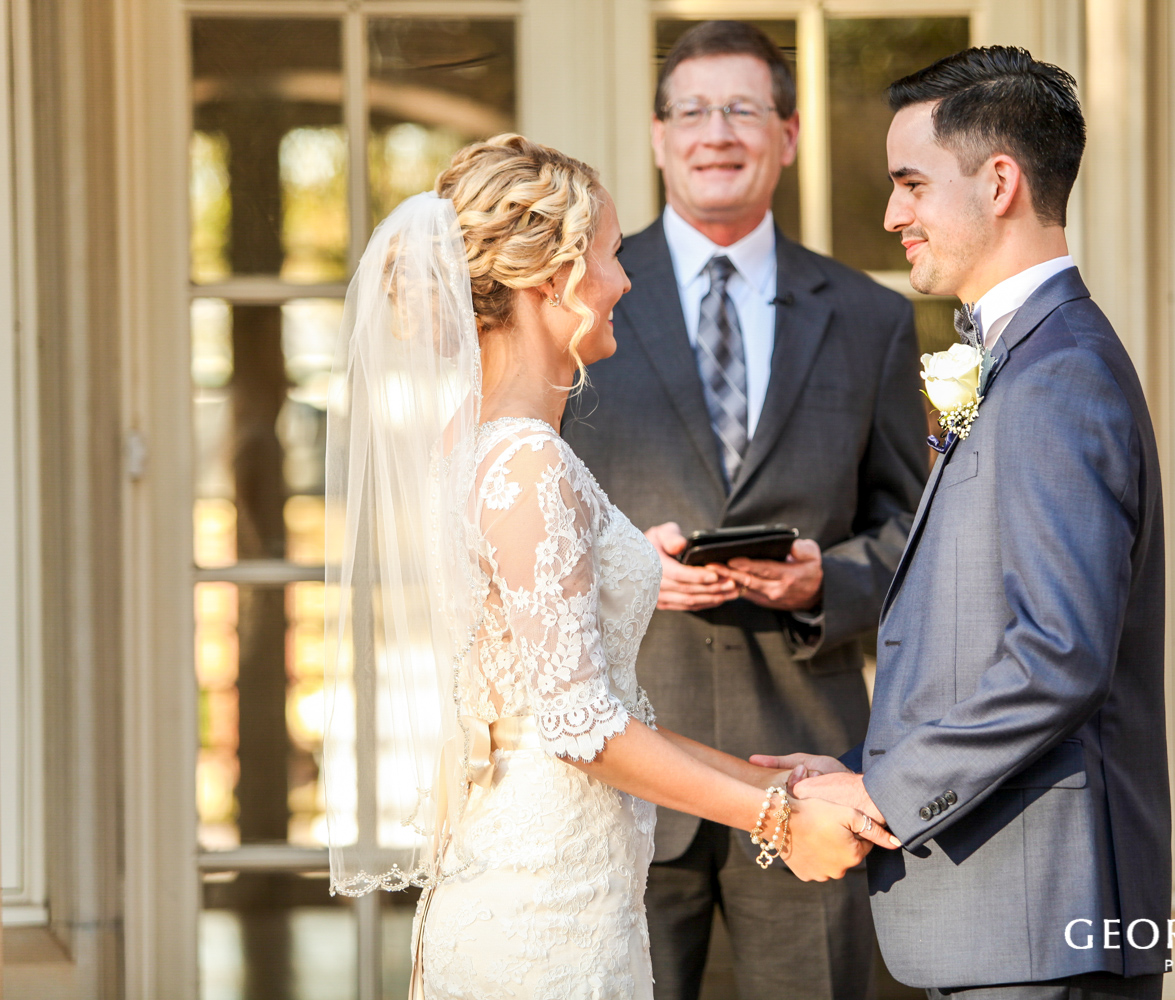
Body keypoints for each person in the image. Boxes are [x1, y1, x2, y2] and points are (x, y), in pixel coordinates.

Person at [320, 134, 894, 1000]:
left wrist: (772, 776)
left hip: (558, 882)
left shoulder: (472, 447)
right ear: (552, 278)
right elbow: (580, 728)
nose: (625, 281)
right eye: (612, 254)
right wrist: (777, 818)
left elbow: (576, 709)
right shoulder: (526, 466)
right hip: (544, 913)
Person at [755, 47, 1172, 999]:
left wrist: (882, 794)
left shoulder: (1060, 377)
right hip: (1009, 918)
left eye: (911, 184)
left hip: (1041, 923)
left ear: (999, 182)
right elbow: (980, 642)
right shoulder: (1027, 358)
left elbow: (1057, 656)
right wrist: (862, 765)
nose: (892, 214)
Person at [561, 20, 929, 1000]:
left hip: (806, 765)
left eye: (741, 109)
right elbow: (526, 512)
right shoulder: (583, 299)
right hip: (629, 761)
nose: (715, 133)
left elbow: (919, 531)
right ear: (658, 136)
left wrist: (826, 582)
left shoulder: (871, 317)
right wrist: (628, 568)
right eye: (691, 111)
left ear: (788, 133)